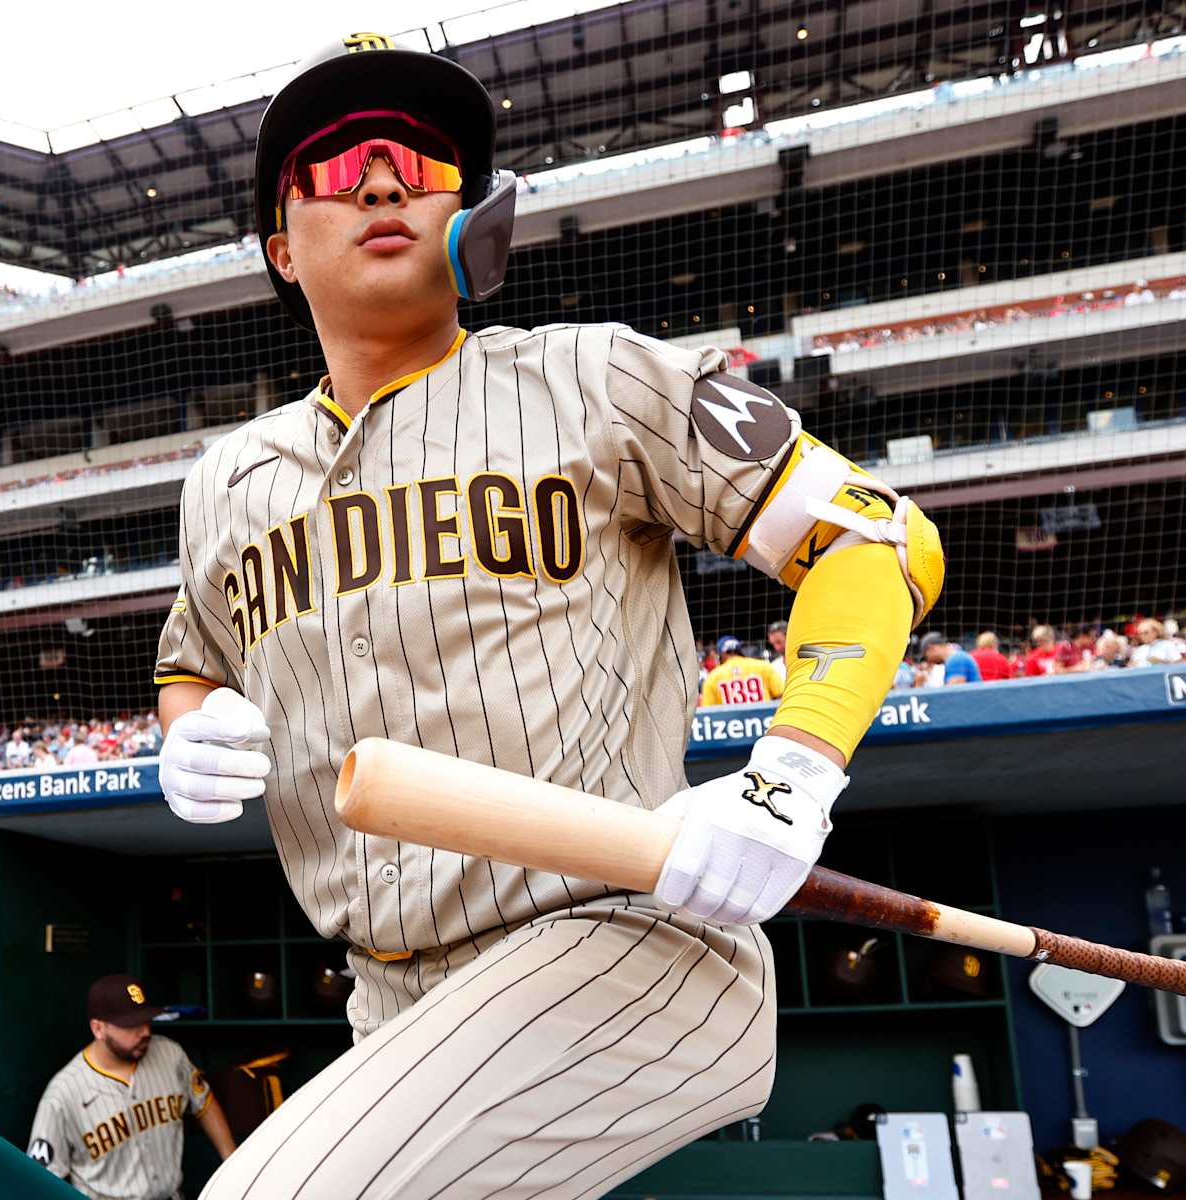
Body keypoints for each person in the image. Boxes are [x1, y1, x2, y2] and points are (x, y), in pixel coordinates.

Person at [151, 33, 943, 1197]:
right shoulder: (225, 481)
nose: (380, 181)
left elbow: (876, 537)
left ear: (474, 216)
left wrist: (795, 768)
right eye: (333, 165)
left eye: (421, 163)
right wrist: (188, 723)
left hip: (628, 943)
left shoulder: (595, 377)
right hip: (388, 1000)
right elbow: (194, 662)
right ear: (281, 244)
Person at [27, 975, 235, 1199]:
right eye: (131, 1025)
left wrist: (233, 1161)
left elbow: (203, 1101)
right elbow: (39, 1180)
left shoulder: (169, 1054)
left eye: (146, 1020)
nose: (144, 1031)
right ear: (98, 1029)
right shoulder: (62, 1094)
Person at [700, 635, 785, 706]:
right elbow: (781, 696)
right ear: (738, 650)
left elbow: (708, 710)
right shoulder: (764, 666)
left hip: (732, 724)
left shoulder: (712, 677)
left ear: (721, 654)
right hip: (764, 722)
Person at [917, 631, 982, 685]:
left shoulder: (955, 659)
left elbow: (954, 694)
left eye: (926, 656)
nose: (928, 660)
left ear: (932, 648)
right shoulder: (957, 656)